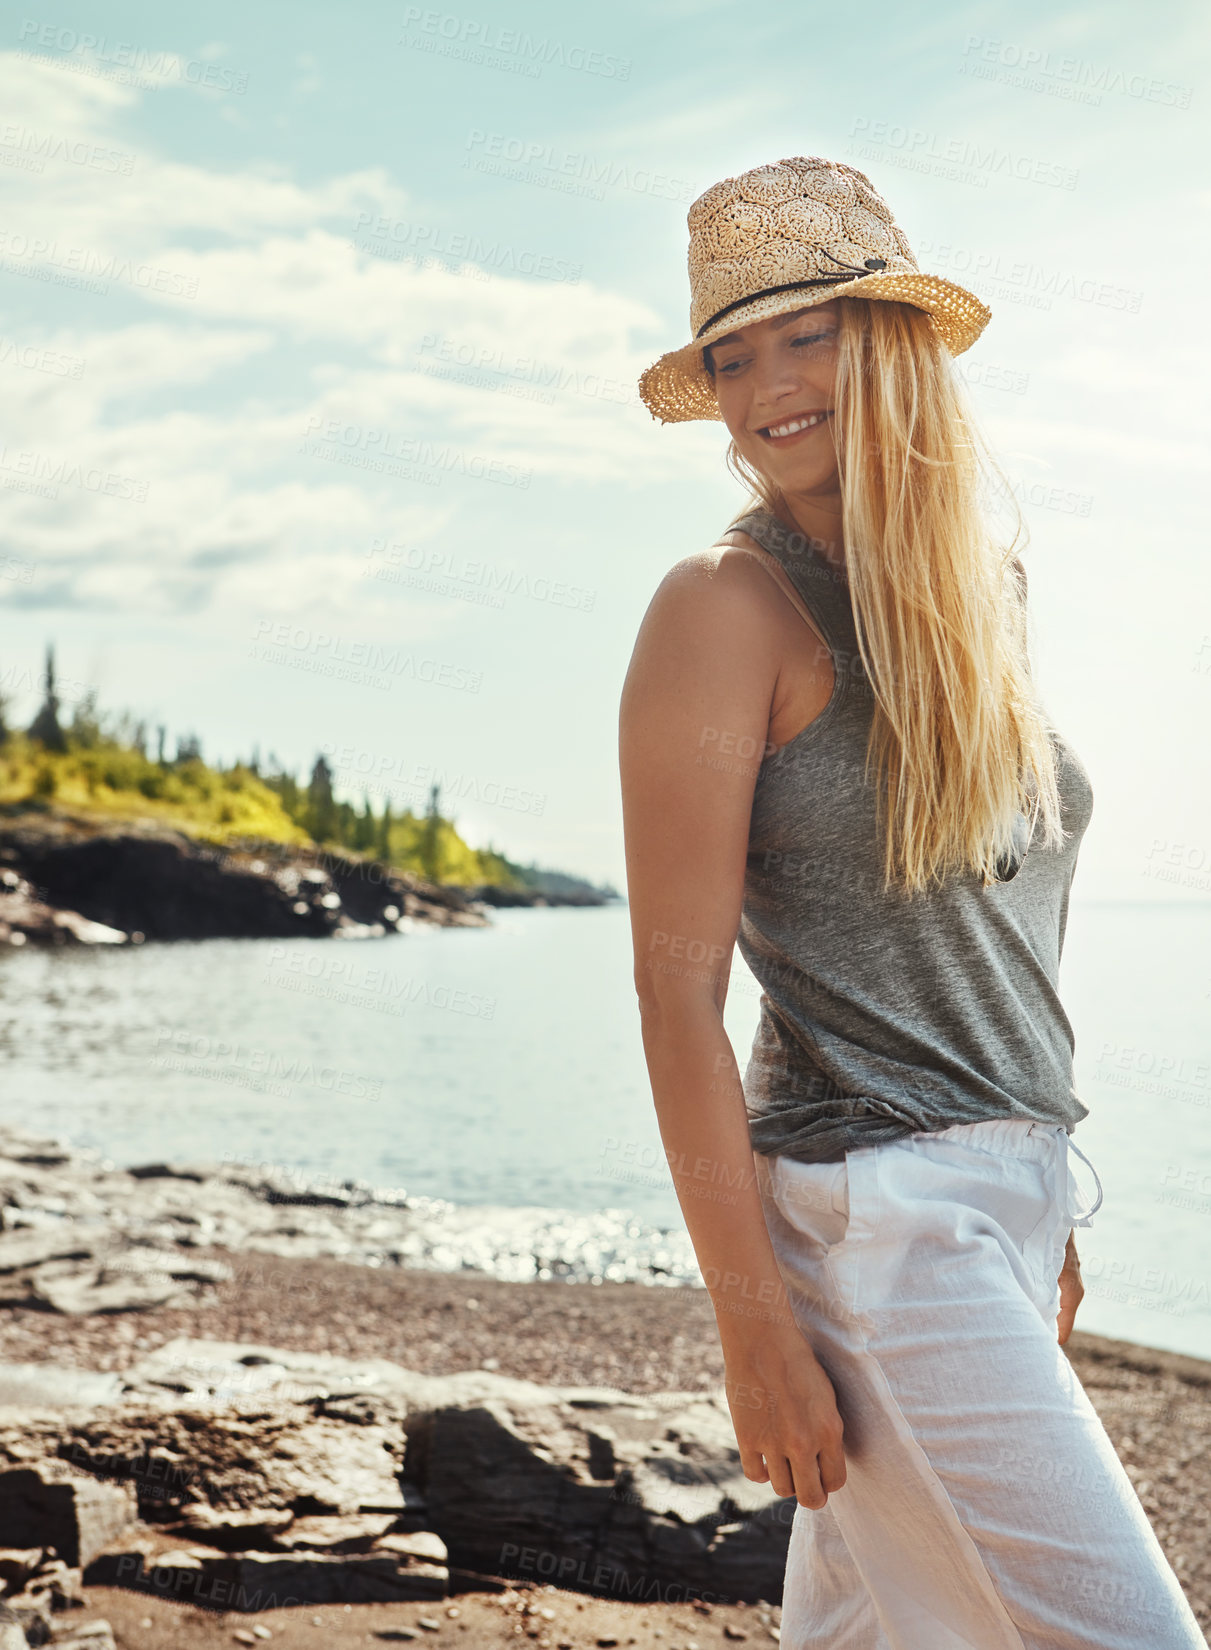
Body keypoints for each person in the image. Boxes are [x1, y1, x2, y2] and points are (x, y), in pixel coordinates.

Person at [618, 156, 1205, 1649]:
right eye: (730, 356)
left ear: (886, 340)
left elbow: (1013, 899)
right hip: (876, 1221)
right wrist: (753, 1328)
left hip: (994, 1205)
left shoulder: (971, 592)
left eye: (801, 333)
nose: (762, 389)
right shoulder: (720, 607)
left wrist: (1044, 1177)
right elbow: (677, 990)